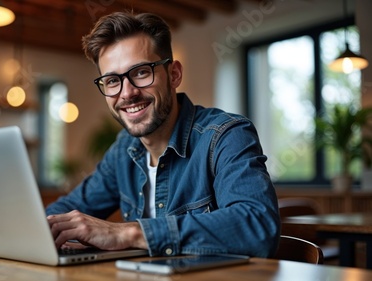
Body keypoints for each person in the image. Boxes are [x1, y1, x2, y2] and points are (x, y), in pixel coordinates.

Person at [46, 11, 280, 258]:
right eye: (113, 80)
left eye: (141, 72)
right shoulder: (124, 150)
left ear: (174, 74)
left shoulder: (226, 135)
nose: (127, 93)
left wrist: (129, 234)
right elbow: (65, 211)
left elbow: (258, 226)